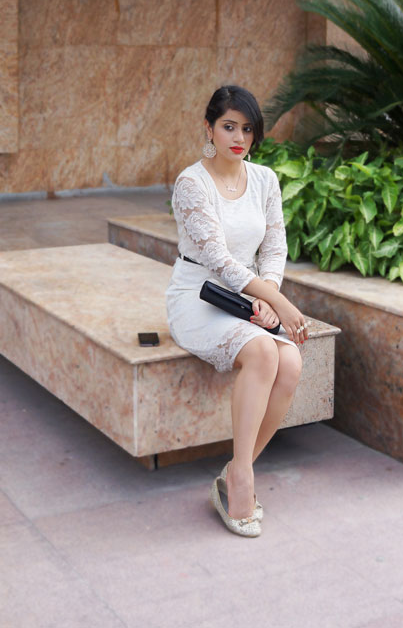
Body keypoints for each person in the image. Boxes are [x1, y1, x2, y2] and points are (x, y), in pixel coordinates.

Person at [166, 85, 310, 538]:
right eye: (229, 126)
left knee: (290, 362)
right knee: (266, 353)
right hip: (198, 294)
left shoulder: (265, 179)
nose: (239, 137)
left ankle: (233, 470)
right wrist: (276, 304)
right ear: (208, 127)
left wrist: (269, 296)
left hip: (251, 293)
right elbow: (217, 259)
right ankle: (242, 480)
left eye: (247, 129)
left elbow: (275, 245)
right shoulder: (192, 183)